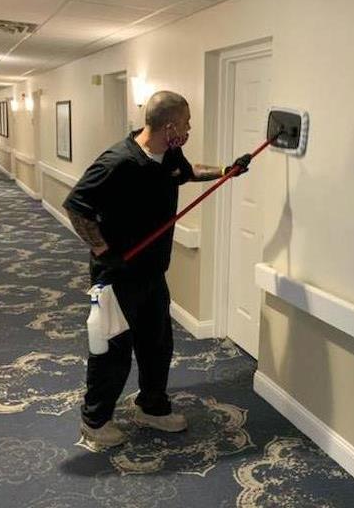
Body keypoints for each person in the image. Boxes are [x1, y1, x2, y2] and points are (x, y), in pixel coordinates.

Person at [63, 90, 251, 447]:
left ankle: (151, 407)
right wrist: (103, 249)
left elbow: (188, 171)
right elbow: (76, 206)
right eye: (186, 122)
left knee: (157, 345)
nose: (190, 127)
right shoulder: (118, 162)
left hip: (152, 273)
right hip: (117, 275)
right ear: (169, 126)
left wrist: (226, 171)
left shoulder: (169, 153)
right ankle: (95, 421)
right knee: (113, 352)